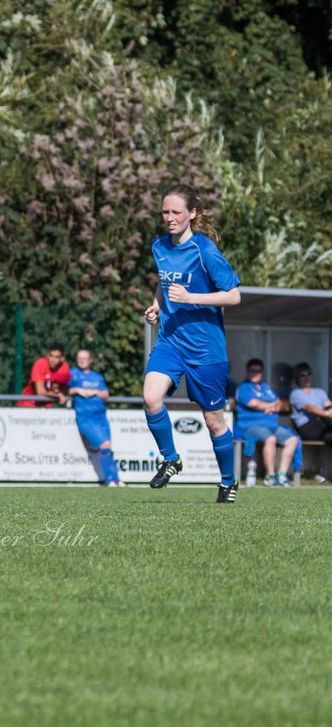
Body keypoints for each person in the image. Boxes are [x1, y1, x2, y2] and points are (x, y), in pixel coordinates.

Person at [140, 184, 242, 503]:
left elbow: (234, 295)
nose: (169, 218)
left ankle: (227, 482)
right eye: (165, 212)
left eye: (176, 212)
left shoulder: (205, 250)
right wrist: (157, 304)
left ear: (192, 214)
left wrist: (191, 298)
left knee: (214, 422)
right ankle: (171, 460)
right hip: (171, 341)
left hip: (205, 349)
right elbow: (165, 281)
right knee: (151, 397)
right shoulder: (159, 246)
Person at [234, 358, 299, 486]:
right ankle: (270, 476)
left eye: (258, 371)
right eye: (252, 370)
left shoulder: (266, 387)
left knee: (293, 439)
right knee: (271, 439)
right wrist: (270, 406)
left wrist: (273, 407)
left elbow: (279, 402)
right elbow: (254, 403)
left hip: (271, 425)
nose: (255, 373)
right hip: (251, 425)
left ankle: (281, 475)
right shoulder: (243, 387)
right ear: (247, 371)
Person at [68, 349, 121, 485]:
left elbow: (106, 394)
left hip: (101, 416)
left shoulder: (97, 377)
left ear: (90, 360)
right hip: (86, 417)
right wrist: (77, 390)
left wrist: (95, 392)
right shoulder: (73, 374)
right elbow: (65, 389)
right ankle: (109, 480)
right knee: (104, 445)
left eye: (84, 358)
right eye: (79, 358)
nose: (81, 360)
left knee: (107, 447)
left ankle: (116, 479)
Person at [290, 362, 332, 483]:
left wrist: (329, 412)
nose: (306, 377)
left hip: (323, 426)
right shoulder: (296, 393)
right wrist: (327, 414)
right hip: (307, 428)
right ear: (297, 378)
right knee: (324, 420)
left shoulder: (320, 391)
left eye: (308, 374)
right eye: (302, 375)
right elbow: (310, 408)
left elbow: (328, 405)